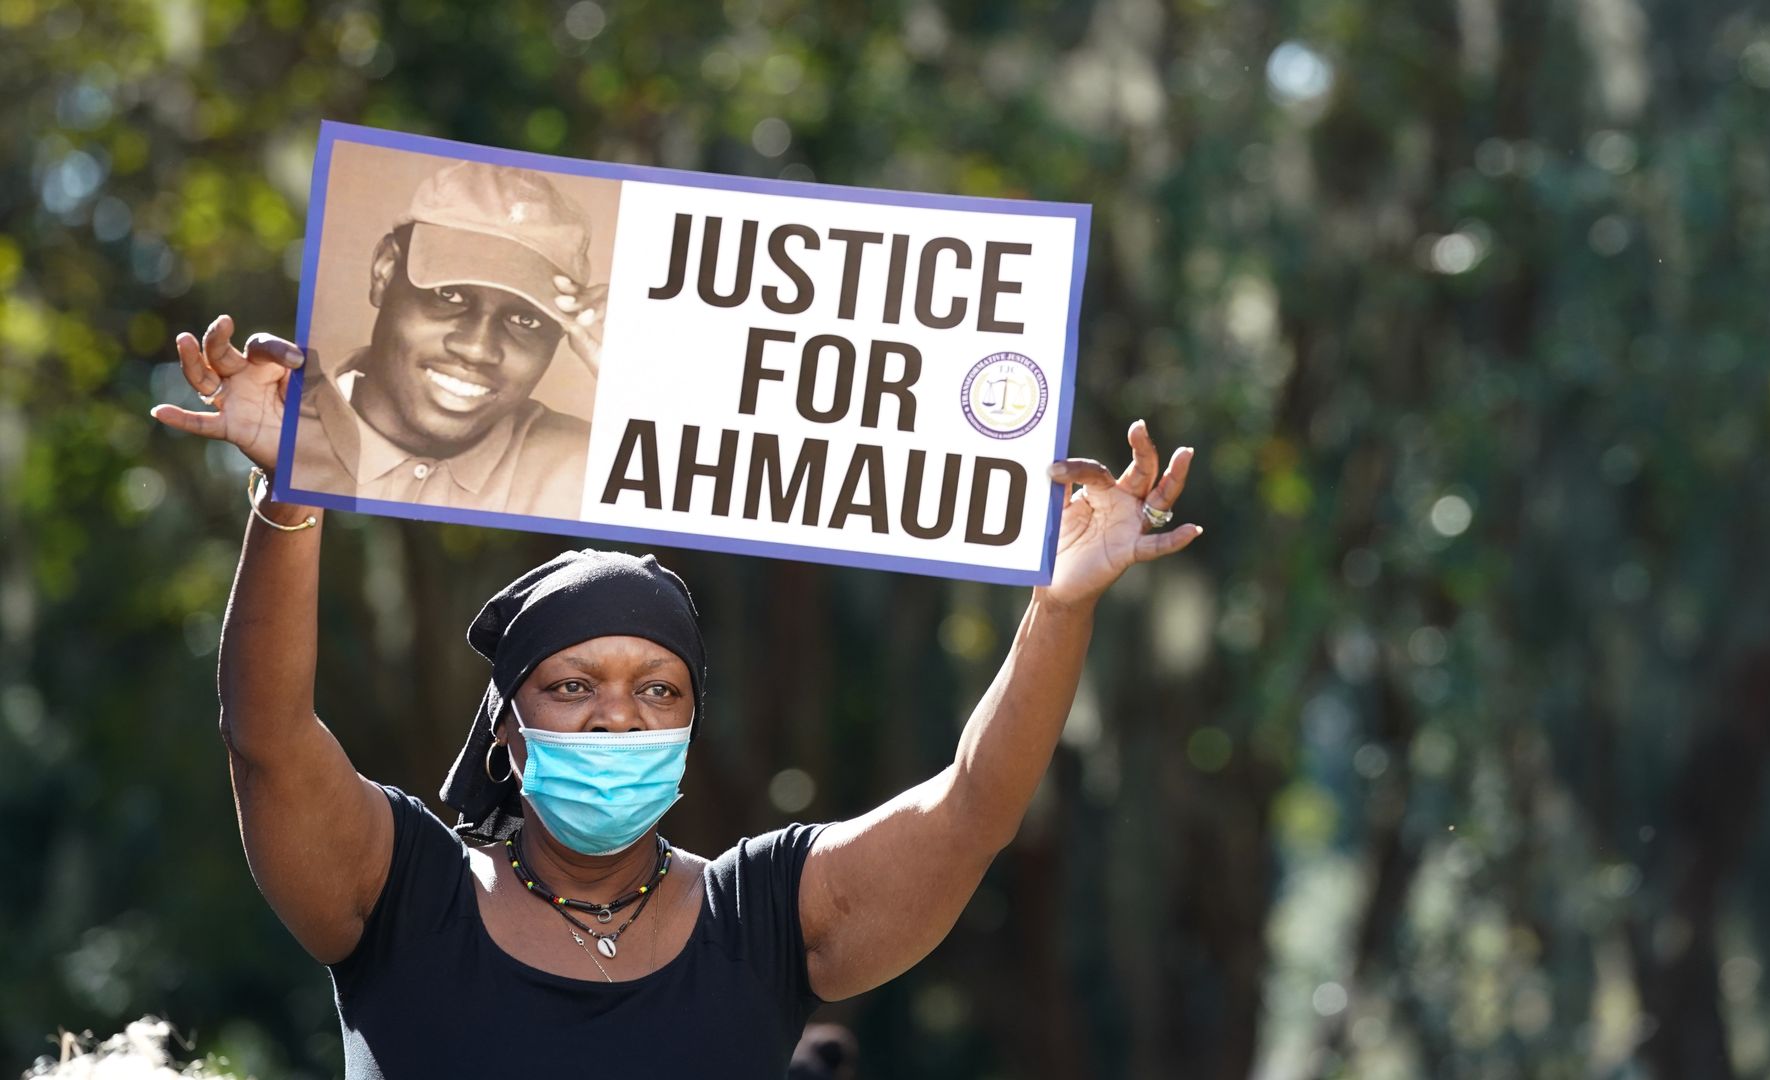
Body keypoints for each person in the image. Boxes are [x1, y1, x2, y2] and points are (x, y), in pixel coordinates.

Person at [149, 315, 1200, 1078]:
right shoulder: (401, 893)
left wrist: (1060, 609)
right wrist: (287, 491)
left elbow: (974, 808)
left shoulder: (768, 918)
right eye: (571, 688)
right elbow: (269, 741)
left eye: (657, 689)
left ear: (692, 725)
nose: (617, 717)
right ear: (510, 732)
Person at [289, 162, 609, 517]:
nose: (476, 348)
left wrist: (645, 387)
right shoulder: (278, 432)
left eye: (525, 319)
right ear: (384, 270)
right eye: (449, 295)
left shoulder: (595, 475)